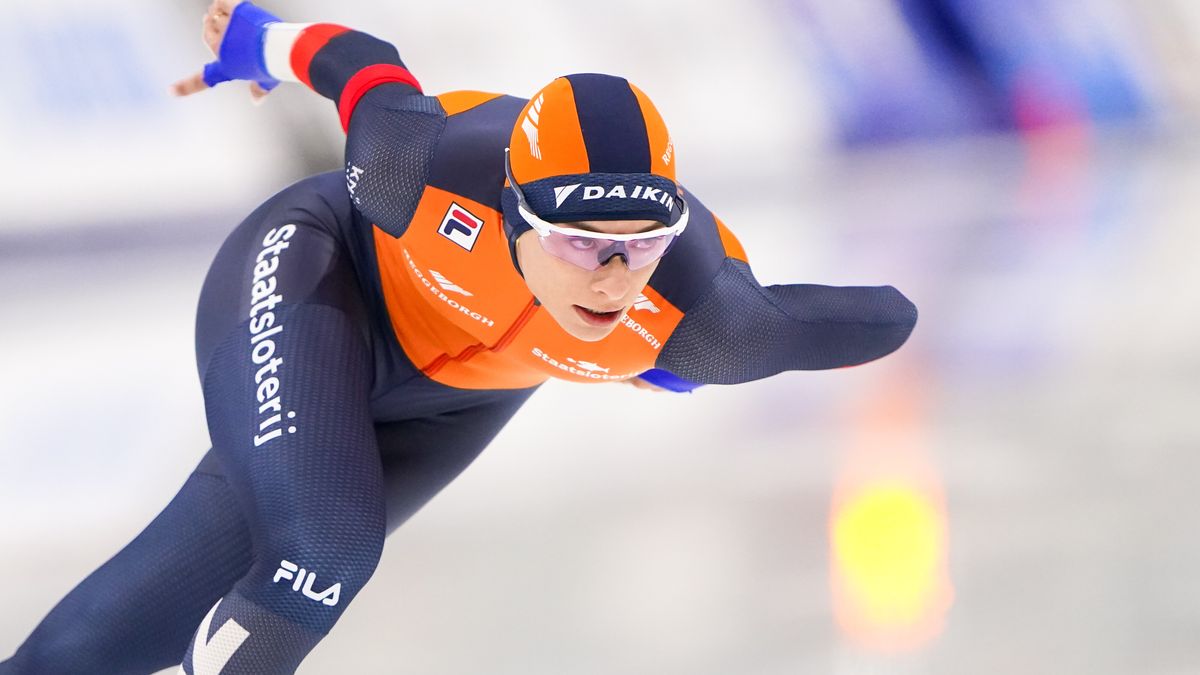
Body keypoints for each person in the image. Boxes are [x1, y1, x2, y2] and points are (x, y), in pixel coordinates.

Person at [0, 2, 918, 672]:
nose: (611, 275)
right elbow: (364, 67)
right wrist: (250, 41)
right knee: (325, 548)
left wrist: (680, 364)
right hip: (318, 281)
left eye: (639, 246)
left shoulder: (701, 323)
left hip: (456, 401)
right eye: (577, 242)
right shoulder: (420, 169)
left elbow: (877, 317)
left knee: (107, 642)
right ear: (511, 210)